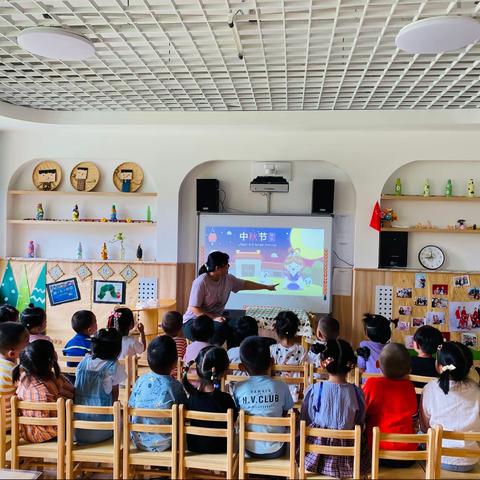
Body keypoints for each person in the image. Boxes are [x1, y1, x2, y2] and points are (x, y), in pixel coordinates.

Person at [300, 339, 369, 477]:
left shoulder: (314, 389)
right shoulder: (357, 392)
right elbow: (360, 420)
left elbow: (305, 419)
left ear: (324, 363)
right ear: (350, 365)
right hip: (349, 458)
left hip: (317, 459)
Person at [183, 251, 278, 345]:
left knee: (247, 323)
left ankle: (236, 354)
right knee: (220, 328)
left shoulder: (228, 279)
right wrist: (214, 318)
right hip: (194, 322)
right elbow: (195, 308)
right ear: (218, 268)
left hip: (218, 319)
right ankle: (214, 356)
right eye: (226, 265)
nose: (229, 266)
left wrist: (267, 287)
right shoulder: (201, 282)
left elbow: (245, 284)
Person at [420, 342, 480, 473]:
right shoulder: (477, 390)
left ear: (439, 366)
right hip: (471, 460)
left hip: (438, 458)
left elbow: (425, 428)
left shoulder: (430, 388)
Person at [233, 336, 294, 458]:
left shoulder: (238, 388)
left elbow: (238, 414)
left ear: (242, 367)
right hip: (277, 449)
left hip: (248, 448)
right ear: (272, 362)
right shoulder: (281, 386)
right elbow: (284, 412)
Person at [129, 335, 187, 452]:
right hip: (167, 443)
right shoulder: (175, 386)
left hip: (139, 441)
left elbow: (131, 405)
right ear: (175, 362)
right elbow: (184, 411)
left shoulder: (140, 381)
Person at [363, 343, 417, 468]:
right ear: (409, 369)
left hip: (376, 452)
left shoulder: (372, 384)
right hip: (407, 455)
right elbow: (413, 416)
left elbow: (362, 413)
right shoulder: (410, 387)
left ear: (377, 364)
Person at [14, 340, 74, 443]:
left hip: (27, 432)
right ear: (51, 360)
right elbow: (73, 393)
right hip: (50, 434)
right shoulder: (54, 380)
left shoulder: (22, 378)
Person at [74, 328, 126, 444]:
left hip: (76, 430)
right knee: (125, 419)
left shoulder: (84, 361)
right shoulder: (114, 366)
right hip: (102, 429)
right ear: (117, 349)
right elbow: (114, 398)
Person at [183, 346, 237, 453]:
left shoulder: (191, 398)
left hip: (195, 449)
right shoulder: (226, 399)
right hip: (221, 449)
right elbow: (233, 421)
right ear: (224, 371)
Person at [270, 311, 306, 401]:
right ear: (295, 331)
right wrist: (301, 393)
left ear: (277, 330)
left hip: (275, 393)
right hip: (294, 395)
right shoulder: (301, 350)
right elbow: (304, 374)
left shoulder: (272, 350)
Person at [0, 322, 29, 430]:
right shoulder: (16, 371)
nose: (30, 345)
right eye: (27, 343)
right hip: (8, 425)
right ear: (12, 353)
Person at [63, 310, 98, 380]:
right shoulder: (93, 344)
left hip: (71, 379)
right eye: (95, 322)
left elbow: (64, 353)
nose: (97, 324)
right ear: (89, 330)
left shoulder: (69, 343)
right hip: (87, 380)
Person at [161, 311, 186, 378]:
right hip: (178, 375)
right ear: (180, 327)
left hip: (162, 374)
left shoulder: (160, 341)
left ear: (162, 327)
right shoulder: (182, 341)